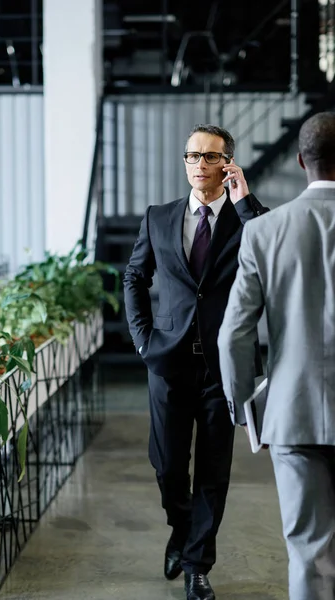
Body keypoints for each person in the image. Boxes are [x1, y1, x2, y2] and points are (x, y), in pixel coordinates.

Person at [123, 124, 268, 600]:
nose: (199, 165)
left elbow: (271, 254)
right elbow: (134, 278)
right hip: (167, 361)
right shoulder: (158, 217)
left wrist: (245, 201)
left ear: (228, 163)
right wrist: (144, 340)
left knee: (212, 470)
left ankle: (197, 565)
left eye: (210, 157)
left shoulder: (248, 220)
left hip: (222, 367)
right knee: (167, 465)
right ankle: (182, 528)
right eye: (192, 156)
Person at [218, 111, 335, 600]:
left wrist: (246, 408)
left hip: (294, 414)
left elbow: (232, 336)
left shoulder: (263, 233)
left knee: (308, 553)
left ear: (299, 159)